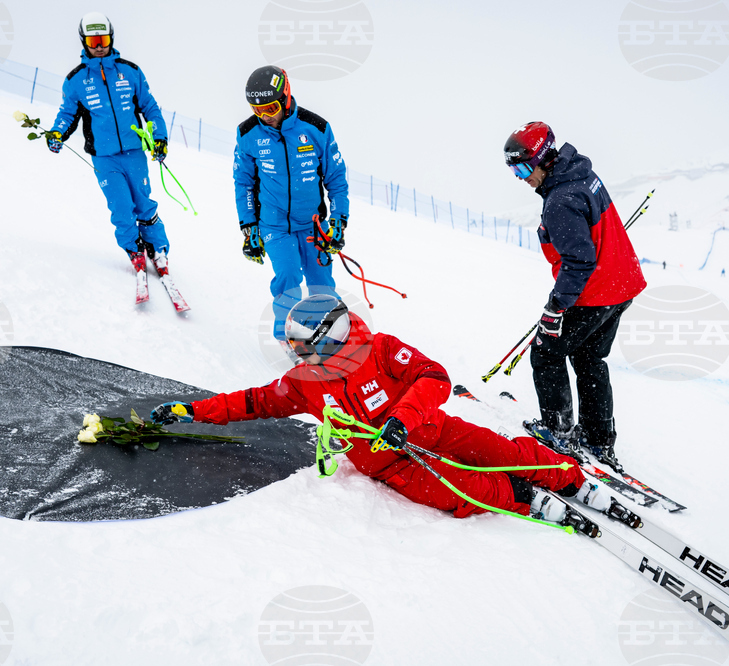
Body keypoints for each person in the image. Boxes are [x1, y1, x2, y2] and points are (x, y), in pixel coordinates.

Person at [149, 295, 611, 529]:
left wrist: (402, 419)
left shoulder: (380, 349)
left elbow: (435, 377)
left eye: (301, 347)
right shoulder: (302, 385)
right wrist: (190, 410)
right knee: (458, 494)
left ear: (328, 339)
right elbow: (250, 402)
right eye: (292, 348)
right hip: (390, 465)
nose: (294, 356)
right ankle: (522, 496)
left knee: (498, 449)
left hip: (431, 429)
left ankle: (569, 479)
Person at [504, 122, 646, 472]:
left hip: (596, 292)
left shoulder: (560, 200)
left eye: (522, 167)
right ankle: (599, 438)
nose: (520, 177)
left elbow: (579, 261)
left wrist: (556, 308)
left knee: (546, 353)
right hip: (622, 284)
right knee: (589, 359)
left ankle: (560, 434)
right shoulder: (581, 174)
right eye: (512, 170)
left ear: (542, 158)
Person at [233, 66, 349, 358]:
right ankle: (290, 339)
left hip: (312, 225)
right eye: (257, 110)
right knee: (287, 278)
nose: (265, 116)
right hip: (273, 225)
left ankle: (331, 339)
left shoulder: (316, 128)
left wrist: (338, 221)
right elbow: (244, 182)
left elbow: (336, 179)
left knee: (322, 284)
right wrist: (249, 227)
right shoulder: (248, 134)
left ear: (285, 97)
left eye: (270, 108)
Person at [47, 12, 171, 275]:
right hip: (104, 156)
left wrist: (159, 138)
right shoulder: (75, 80)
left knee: (143, 202)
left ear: (111, 38)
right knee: (120, 206)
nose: (99, 46)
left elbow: (150, 107)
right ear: (84, 43)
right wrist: (57, 133)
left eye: (103, 39)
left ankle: (157, 248)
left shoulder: (131, 71)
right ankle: (133, 249)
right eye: (93, 42)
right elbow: (67, 114)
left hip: (134, 151)